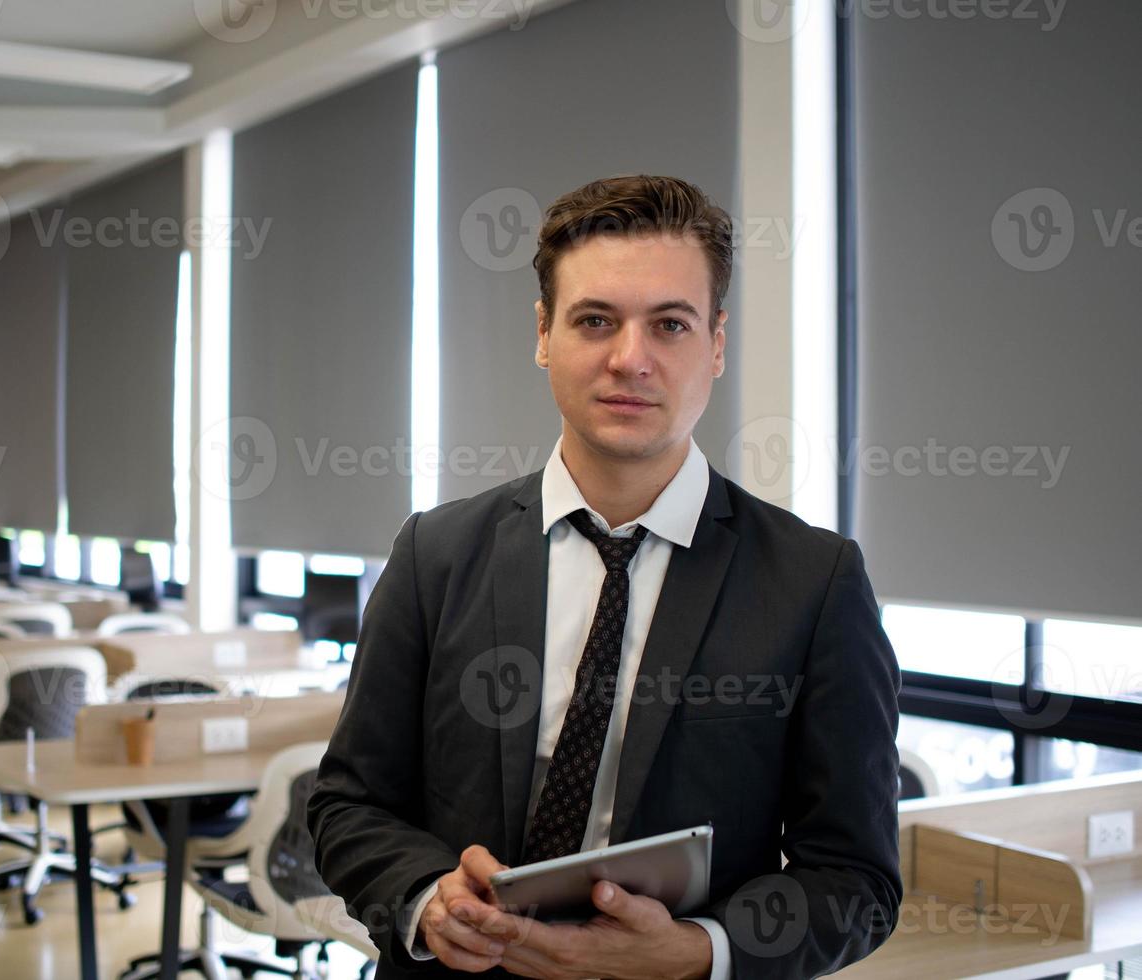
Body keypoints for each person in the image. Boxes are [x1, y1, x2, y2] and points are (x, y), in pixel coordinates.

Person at [308, 174, 902, 979]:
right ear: (544, 332)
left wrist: (700, 951)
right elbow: (350, 805)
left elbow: (854, 880)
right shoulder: (434, 554)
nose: (631, 359)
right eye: (595, 321)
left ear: (716, 344)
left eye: (669, 324)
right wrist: (423, 898)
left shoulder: (812, 582)